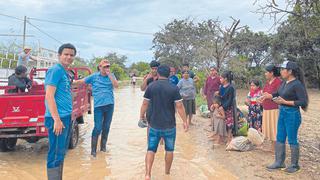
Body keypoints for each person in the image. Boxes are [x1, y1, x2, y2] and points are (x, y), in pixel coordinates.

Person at [139, 65, 189, 180]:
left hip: (154, 125)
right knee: (169, 150)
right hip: (169, 125)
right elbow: (179, 106)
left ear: (159, 73)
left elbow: (145, 104)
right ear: (169, 74)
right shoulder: (174, 88)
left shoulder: (151, 87)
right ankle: (167, 173)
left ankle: (147, 174)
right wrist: (185, 121)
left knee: (151, 149)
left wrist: (141, 117)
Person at [262, 61, 308, 173]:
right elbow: (277, 93)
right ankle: (279, 162)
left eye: (283, 69)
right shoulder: (284, 83)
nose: (281, 71)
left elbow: (302, 101)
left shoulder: (297, 84)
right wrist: (268, 96)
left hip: (292, 114)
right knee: (280, 137)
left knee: (292, 139)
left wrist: (285, 102)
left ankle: (294, 165)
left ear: (290, 71)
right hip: (282, 112)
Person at [44, 43, 77, 180]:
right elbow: (49, 95)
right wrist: (57, 119)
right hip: (58, 118)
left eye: (71, 55)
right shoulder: (56, 70)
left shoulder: (64, 72)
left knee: (61, 152)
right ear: (59, 55)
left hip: (65, 117)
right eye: (66, 54)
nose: (68, 57)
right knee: (55, 153)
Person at [73, 59, 118, 157]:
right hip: (98, 106)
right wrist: (70, 83)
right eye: (105, 66)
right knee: (97, 128)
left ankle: (103, 148)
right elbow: (82, 81)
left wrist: (110, 75)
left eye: (108, 66)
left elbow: (116, 86)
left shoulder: (112, 76)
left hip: (110, 105)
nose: (107, 68)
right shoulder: (94, 76)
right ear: (100, 67)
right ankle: (93, 151)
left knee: (106, 127)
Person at [260, 65, 282, 152]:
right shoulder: (267, 82)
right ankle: (272, 146)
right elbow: (265, 94)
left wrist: (270, 96)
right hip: (266, 108)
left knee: (274, 128)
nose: (265, 74)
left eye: (266, 72)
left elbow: (280, 94)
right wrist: (261, 98)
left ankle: (276, 148)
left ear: (271, 73)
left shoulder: (278, 82)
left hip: (274, 108)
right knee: (269, 128)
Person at [216, 71, 236, 144]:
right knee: (222, 122)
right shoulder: (221, 87)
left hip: (228, 108)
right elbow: (220, 97)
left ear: (226, 79)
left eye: (221, 78)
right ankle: (222, 138)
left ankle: (229, 139)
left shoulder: (231, 88)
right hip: (221, 107)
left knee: (229, 124)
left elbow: (230, 100)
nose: (220, 79)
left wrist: (223, 107)